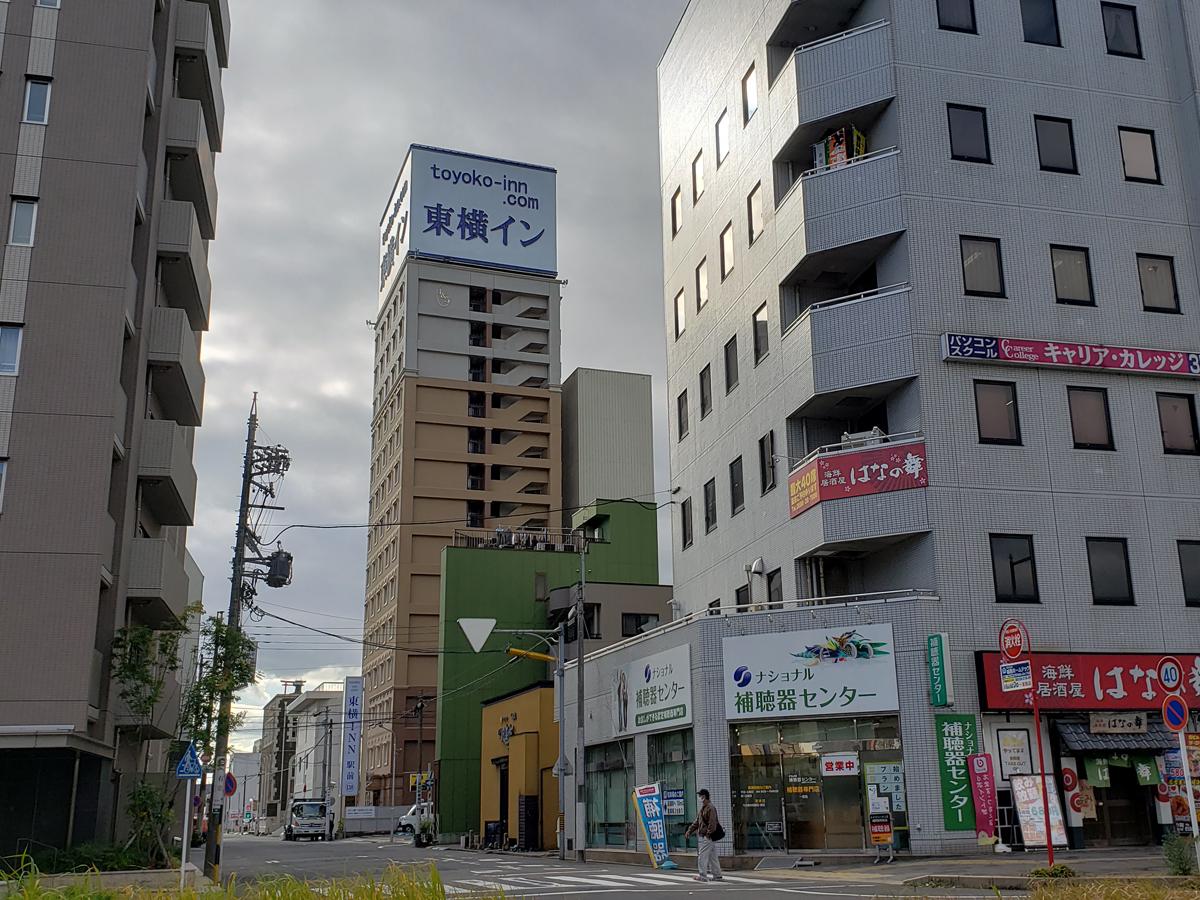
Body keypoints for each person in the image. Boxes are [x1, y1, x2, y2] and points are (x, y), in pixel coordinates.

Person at [684, 789, 723, 882]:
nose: (699, 798)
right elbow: (697, 822)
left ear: (704, 796)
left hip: (708, 836)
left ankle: (703, 875)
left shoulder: (710, 808)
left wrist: (708, 834)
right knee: (712, 856)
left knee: (702, 855)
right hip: (708, 836)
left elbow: (712, 823)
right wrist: (689, 830)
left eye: (700, 796)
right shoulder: (703, 808)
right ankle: (717, 875)